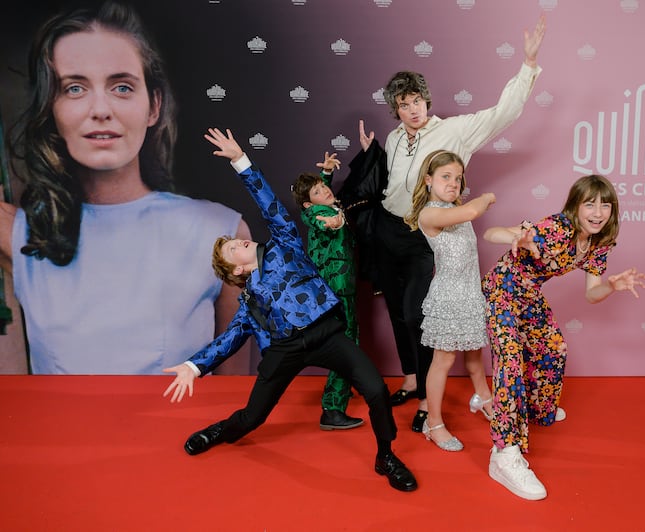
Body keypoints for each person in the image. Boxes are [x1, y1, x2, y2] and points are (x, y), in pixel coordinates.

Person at [0, 1, 252, 374]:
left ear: (153, 105)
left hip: (181, 434)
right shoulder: (13, 234)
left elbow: (235, 398)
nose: (100, 109)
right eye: (73, 88)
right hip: (61, 433)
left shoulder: (222, 233)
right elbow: (12, 403)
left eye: (121, 87)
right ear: (50, 109)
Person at [162, 128, 417, 493]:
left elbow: (269, 204)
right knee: (252, 418)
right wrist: (192, 366)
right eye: (232, 249)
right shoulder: (249, 300)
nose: (239, 242)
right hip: (285, 350)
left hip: (326, 335)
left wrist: (241, 161)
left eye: (236, 240)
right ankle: (220, 430)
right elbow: (231, 339)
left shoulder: (284, 245)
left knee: (376, 389)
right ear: (236, 269)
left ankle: (386, 455)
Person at [349, 12, 547, 433]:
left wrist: (528, 65)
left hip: (424, 233)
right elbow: (390, 182)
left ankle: (426, 400)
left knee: (418, 315)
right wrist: (370, 153)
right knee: (398, 315)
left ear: (427, 99)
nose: (411, 109)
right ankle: (409, 379)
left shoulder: (456, 131)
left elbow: (503, 113)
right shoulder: (395, 138)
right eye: (402, 104)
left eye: (416, 100)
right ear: (396, 109)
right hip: (388, 229)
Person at [482, 174, 645, 500]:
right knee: (511, 358)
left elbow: (592, 294)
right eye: (590, 204)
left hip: (530, 295)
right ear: (575, 206)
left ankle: (535, 410)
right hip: (502, 289)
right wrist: (518, 237)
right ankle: (504, 452)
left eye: (606, 204)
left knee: (553, 349)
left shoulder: (600, 242)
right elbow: (491, 233)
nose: (598, 212)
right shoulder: (557, 227)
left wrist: (612, 285)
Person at [403, 150, 495, 452]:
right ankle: (434, 422)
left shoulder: (456, 208)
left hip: (469, 293)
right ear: (428, 180)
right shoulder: (430, 213)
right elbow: (471, 212)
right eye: (446, 177)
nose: (454, 183)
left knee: (474, 356)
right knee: (443, 360)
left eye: (458, 178)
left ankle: (484, 397)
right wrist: (488, 197)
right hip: (448, 297)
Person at [291, 154, 364, 431]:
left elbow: (323, 195)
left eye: (324, 187)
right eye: (318, 191)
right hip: (334, 292)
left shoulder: (325, 202)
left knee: (351, 342)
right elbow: (317, 217)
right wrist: (329, 223)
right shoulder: (315, 213)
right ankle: (332, 408)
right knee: (345, 347)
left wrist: (326, 175)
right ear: (309, 203)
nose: (325, 191)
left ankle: (345, 387)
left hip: (343, 289)